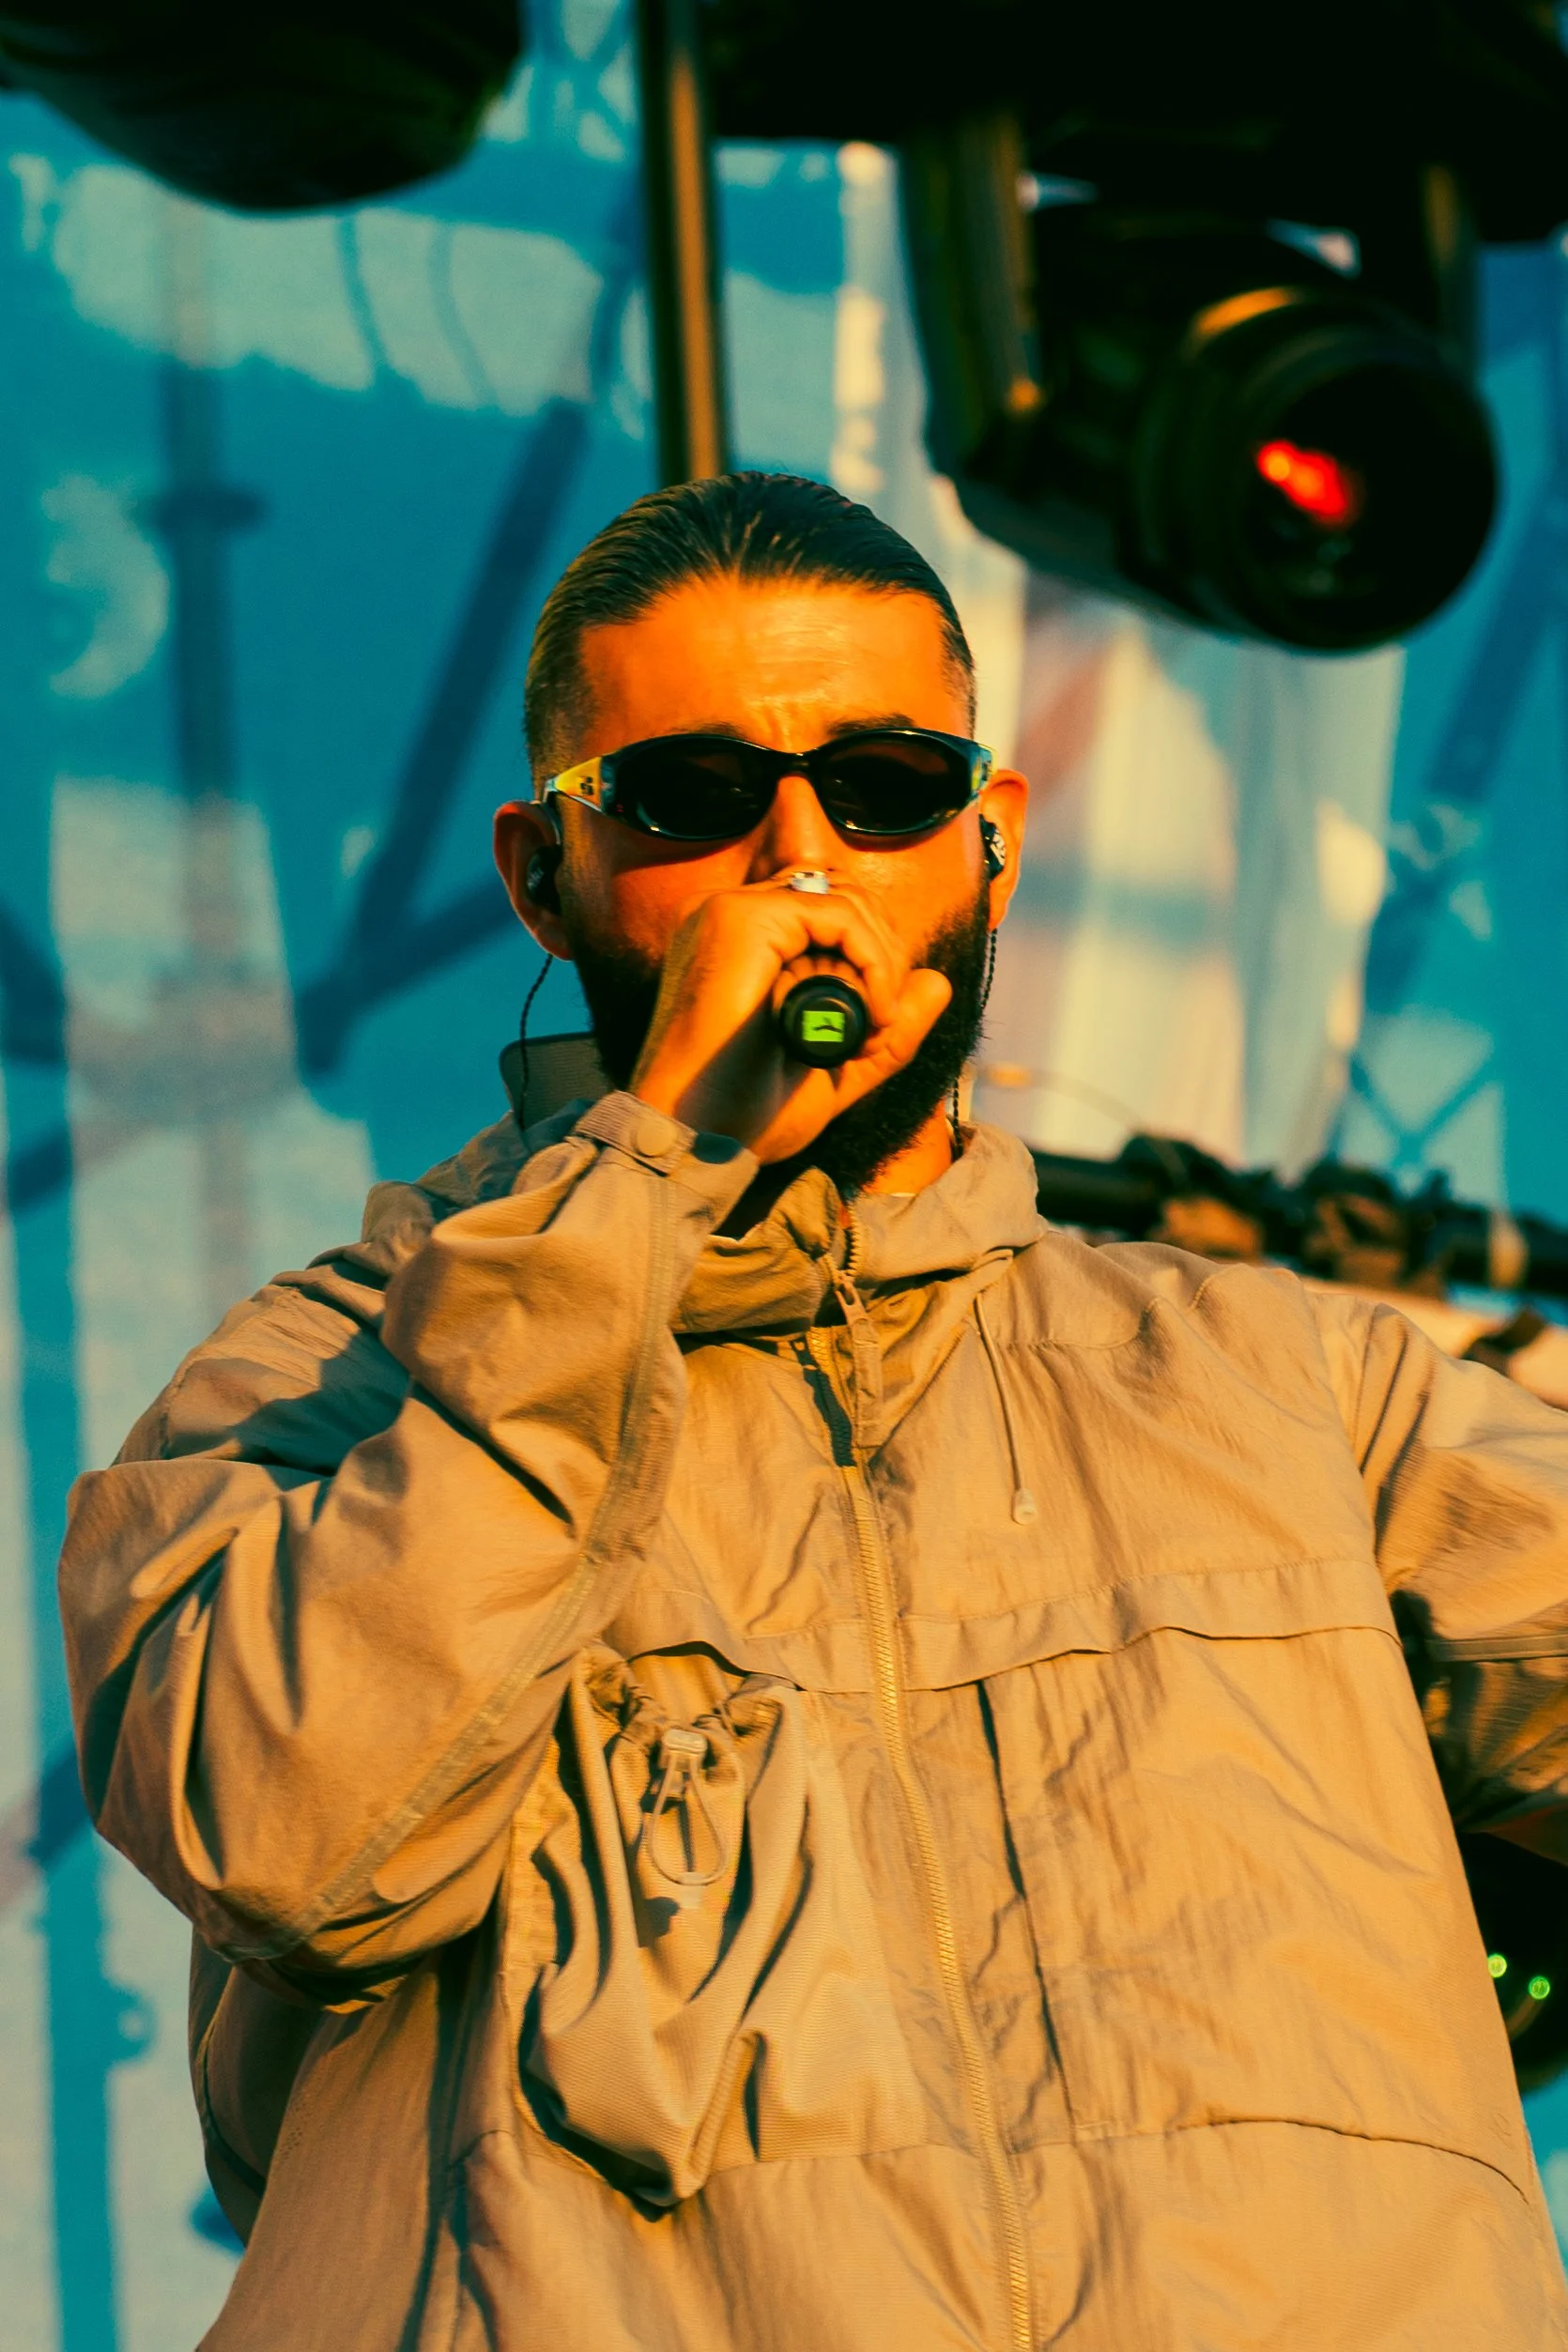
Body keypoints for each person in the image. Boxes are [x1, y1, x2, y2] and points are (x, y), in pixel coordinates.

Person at [58, 472, 1568, 2351]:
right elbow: (298, 1833)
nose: (800, 859)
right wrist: (641, 1183)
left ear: (990, 837)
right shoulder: (322, 1376)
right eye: (693, 797)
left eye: (885, 789)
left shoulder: (1296, 1388)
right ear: (546, 873)